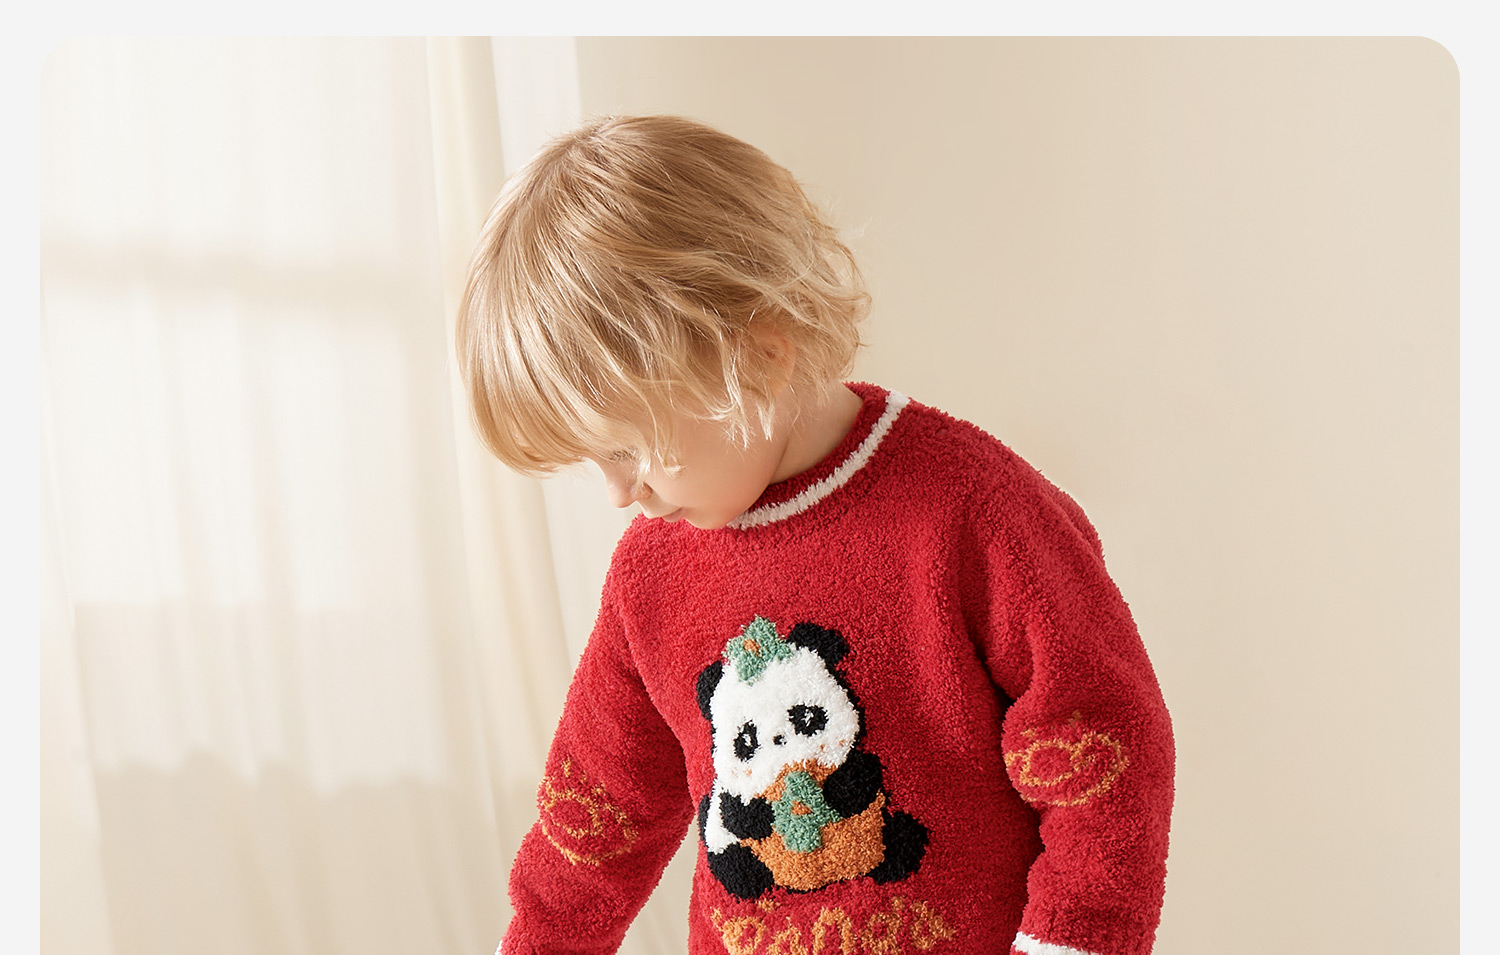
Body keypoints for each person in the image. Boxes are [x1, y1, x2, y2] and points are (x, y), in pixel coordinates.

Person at [455, 114, 1174, 955]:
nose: (619, 494)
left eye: (632, 449)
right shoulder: (649, 577)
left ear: (758, 362)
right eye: (595, 462)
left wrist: (1072, 938)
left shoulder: (970, 508)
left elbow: (1107, 749)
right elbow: (594, 822)